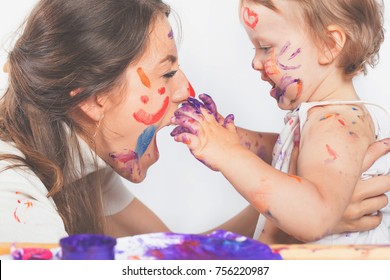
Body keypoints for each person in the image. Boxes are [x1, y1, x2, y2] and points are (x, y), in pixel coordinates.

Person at [0, 0, 388, 244]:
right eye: (167, 74)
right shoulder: (12, 198)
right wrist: (297, 216)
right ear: (93, 99)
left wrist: (297, 201)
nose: (187, 89)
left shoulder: (82, 166)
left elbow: (175, 254)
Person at [171, 0, 390, 244]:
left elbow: (314, 217)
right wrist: (234, 137)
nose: (255, 62)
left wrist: (228, 153)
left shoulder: (334, 125)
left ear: (328, 45)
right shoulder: (321, 120)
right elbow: (287, 150)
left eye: (265, 47)